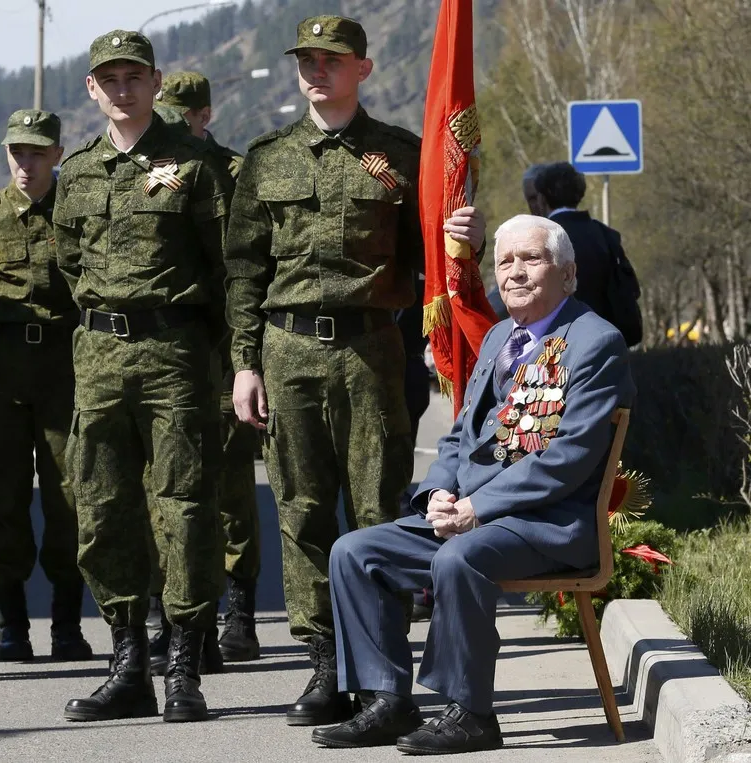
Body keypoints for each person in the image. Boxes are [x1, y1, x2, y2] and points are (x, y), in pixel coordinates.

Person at [224, 15, 485, 726]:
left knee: (375, 511)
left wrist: (468, 243)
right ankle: (325, 665)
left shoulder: (401, 154)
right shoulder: (267, 158)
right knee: (302, 510)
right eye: (307, 59)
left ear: (362, 70)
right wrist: (245, 364)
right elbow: (244, 268)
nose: (317, 70)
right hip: (287, 350)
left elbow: (431, 257)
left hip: (372, 348)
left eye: (332, 60)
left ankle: (382, 672)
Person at [312, 215, 635, 754]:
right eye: (504, 261)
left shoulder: (593, 341)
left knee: (459, 558)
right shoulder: (499, 339)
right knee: (354, 551)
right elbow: (461, 436)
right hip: (472, 517)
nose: (513, 272)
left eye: (531, 259)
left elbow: (569, 457)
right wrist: (438, 491)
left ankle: (472, 714)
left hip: (545, 525)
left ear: (569, 274)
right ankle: (388, 701)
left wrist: (476, 509)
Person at [56, 30, 230, 724]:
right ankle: (128, 661)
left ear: (156, 82)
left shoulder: (195, 163)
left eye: (134, 76)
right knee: (100, 508)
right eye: (109, 79)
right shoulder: (79, 170)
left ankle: (184, 663)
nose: (122, 88)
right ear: (91, 89)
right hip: (98, 356)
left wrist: (210, 348)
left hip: (174, 354)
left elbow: (227, 268)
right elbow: (71, 263)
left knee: (184, 506)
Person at [0, 108, 92, 663]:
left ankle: (65, 625)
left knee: (70, 501)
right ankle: (11, 624)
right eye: (17, 152)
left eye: (36, 152)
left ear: (57, 155)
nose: (25, 163)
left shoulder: (77, 215)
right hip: (4, 377)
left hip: (66, 373)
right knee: (3, 500)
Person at [149, 70, 261, 666]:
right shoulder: (152, 171)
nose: (173, 124)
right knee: (168, 488)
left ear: (204, 115)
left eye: (182, 114)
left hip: (223, 350)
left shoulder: (236, 173)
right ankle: (176, 613)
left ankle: (239, 613)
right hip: (173, 351)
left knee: (231, 488)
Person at [533, 161, 620, 325]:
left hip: (557, 337)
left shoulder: (540, 237)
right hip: (606, 330)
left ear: (543, 198)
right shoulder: (607, 235)